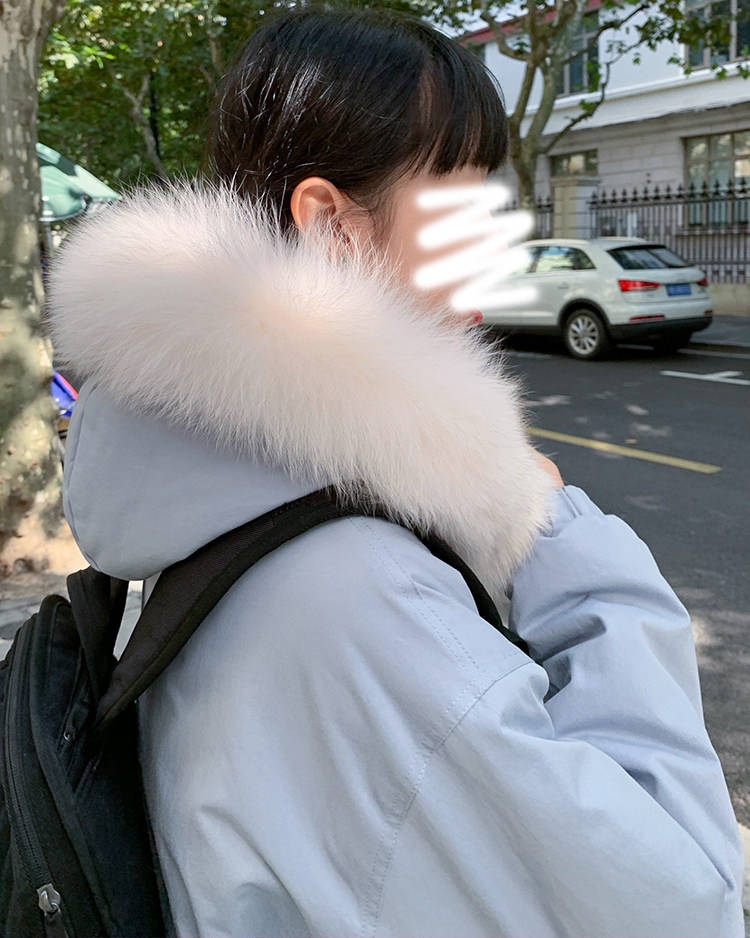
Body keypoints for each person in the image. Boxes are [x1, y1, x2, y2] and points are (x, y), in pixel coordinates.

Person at [48, 8, 744, 937]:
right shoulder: (365, 594)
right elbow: (688, 902)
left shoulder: (219, 501)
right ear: (331, 224)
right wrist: (569, 547)